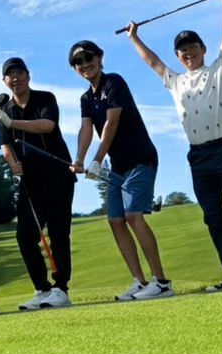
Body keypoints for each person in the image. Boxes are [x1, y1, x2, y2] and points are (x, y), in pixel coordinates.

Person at [126, 0, 222, 291]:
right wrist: (134, 37)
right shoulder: (175, 81)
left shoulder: (219, 69)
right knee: (213, 218)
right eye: (182, 50)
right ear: (178, 56)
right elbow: (153, 62)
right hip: (198, 156)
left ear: (203, 49)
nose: (188, 53)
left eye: (192, 47)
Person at [68, 40, 173, 301]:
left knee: (133, 215)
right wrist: (79, 159)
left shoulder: (114, 82)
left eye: (89, 57)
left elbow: (111, 123)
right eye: (78, 62)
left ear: (100, 57)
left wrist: (96, 160)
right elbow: (86, 129)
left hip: (139, 158)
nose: (85, 64)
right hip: (118, 166)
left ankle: (161, 283)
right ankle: (139, 282)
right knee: (115, 220)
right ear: (75, 68)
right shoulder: (86, 99)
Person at [0, 57, 76, 309]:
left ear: (28, 76)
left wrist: (12, 123)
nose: (16, 79)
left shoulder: (45, 98)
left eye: (20, 73)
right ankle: (42, 288)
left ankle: (61, 289)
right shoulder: (4, 110)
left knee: (58, 232)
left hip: (57, 174)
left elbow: (47, 125)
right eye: (11, 75)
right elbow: (5, 144)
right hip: (30, 180)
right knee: (25, 235)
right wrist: (11, 162)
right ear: (5, 81)